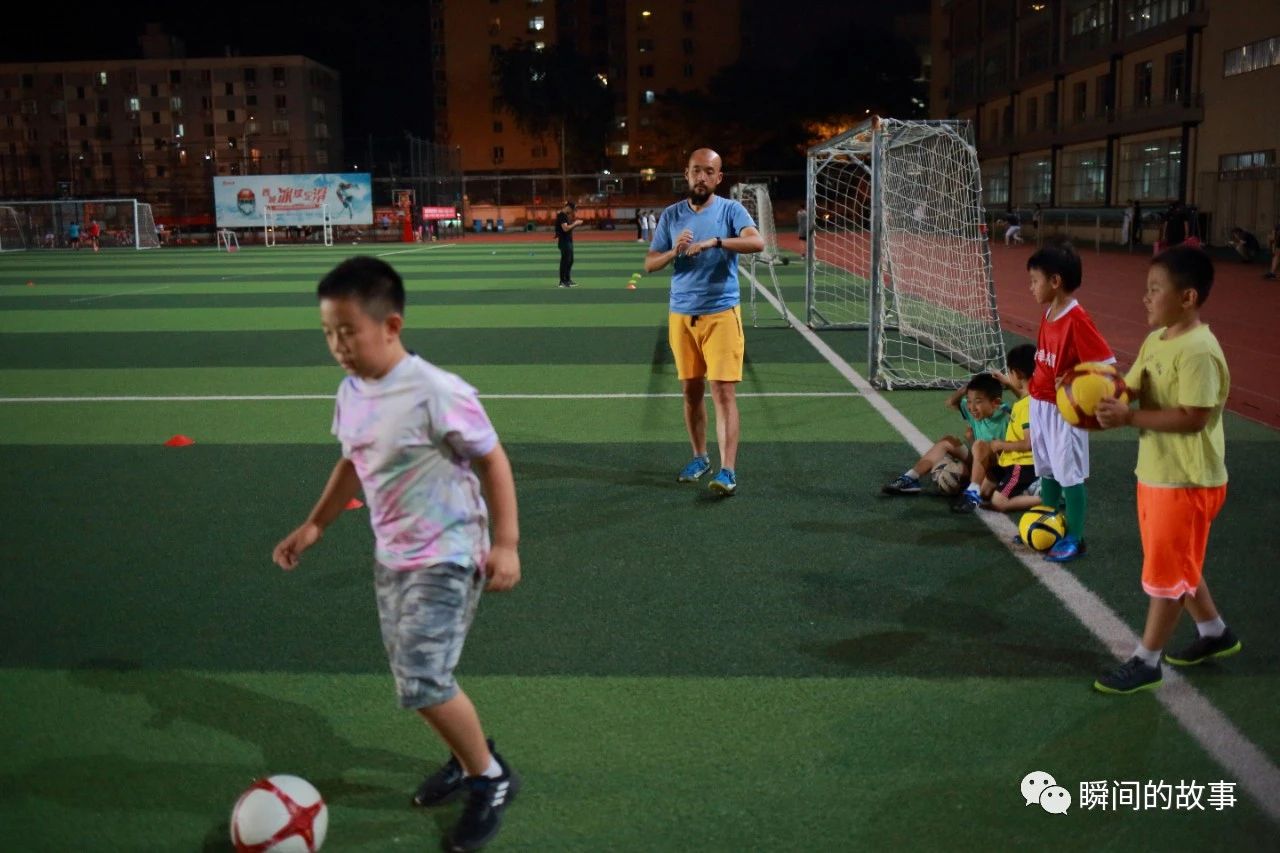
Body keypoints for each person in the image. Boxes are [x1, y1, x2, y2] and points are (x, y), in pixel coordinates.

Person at [271, 257, 523, 849]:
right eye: (329, 332)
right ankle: (467, 759)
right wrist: (315, 526)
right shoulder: (351, 390)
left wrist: (507, 543)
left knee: (423, 677)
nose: (337, 345)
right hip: (394, 556)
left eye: (348, 331)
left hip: (450, 553)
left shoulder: (436, 392)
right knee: (419, 674)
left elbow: (494, 460)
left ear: (391, 325)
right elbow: (352, 462)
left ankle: (490, 776)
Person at [1092, 245, 1238, 694]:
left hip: (1187, 480)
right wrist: (1093, 391)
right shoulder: (1158, 340)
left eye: (1155, 289)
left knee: (1168, 572)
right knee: (1178, 562)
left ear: (1188, 297)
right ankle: (1215, 633)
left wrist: (1129, 417)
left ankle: (1147, 660)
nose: (1146, 298)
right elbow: (1131, 385)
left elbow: (1193, 417)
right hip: (1157, 474)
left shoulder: (1198, 350)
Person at [645, 147, 765, 496]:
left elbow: (757, 242)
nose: (702, 177)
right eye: (696, 171)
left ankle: (728, 470)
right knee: (691, 391)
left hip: (721, 313)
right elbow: (650, 263)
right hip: (681, 315)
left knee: (723, 392)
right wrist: (674, 251)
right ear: (686, 174)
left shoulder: (731, 210)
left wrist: (714, 242)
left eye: (708, 172)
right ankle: (700, 457)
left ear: (718, 177)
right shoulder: (671, 215)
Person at [1026, 241, 1116, 562]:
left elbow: (1106, 365)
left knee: (1070, 473)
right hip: (1041, 403)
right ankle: (1049, 522)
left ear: (1056, 281)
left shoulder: (1077, 319)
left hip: (1066, 410)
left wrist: (1077, 381)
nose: (1031, 287)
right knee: (1047, 469)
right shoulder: (1049, 312)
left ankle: (1075, 537)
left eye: (1035, 281)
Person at [882, 372, 1010, 498]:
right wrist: (966, 389)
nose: (972, 407)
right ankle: (910, 478)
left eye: (978, 401)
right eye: (969, 401)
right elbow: (950, 402)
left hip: (999, 468)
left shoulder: (1006, 416)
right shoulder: (973, 409)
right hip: (978, 460)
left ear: (995, 403)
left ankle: (971, 486)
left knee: (986, 492)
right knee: (947, 441)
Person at [951, 344, 1041, 515]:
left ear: (1018, 373)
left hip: (1022, 464)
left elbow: (1029, 443)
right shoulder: (1030, 399)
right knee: (985, 491)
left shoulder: (1027, 405)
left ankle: (1048, 496)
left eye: (1009, 372)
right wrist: (1008, 382)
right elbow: (1023, 395)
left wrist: (1000, 444)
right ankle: (974, 491)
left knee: (998, 503)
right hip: (1010, 461)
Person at [555, 201, 583, 288]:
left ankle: (567, 280)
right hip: (564, 241)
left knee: (570, 260)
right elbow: (565, 229)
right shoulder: (562, 215)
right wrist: (575, 224)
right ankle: (562, 281)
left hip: (568, 241)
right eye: (573, 210)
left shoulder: (565, 215)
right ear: (569, 208)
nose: (573, 212)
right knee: (565, 261)